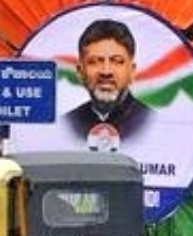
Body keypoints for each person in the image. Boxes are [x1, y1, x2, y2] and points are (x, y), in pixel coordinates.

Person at [61, 19, 154, 152]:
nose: (106, 71)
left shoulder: (152, 123)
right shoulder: (67, 123)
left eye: (117, 61)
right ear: (80, 72)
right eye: (94, 62)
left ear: (132, 71)